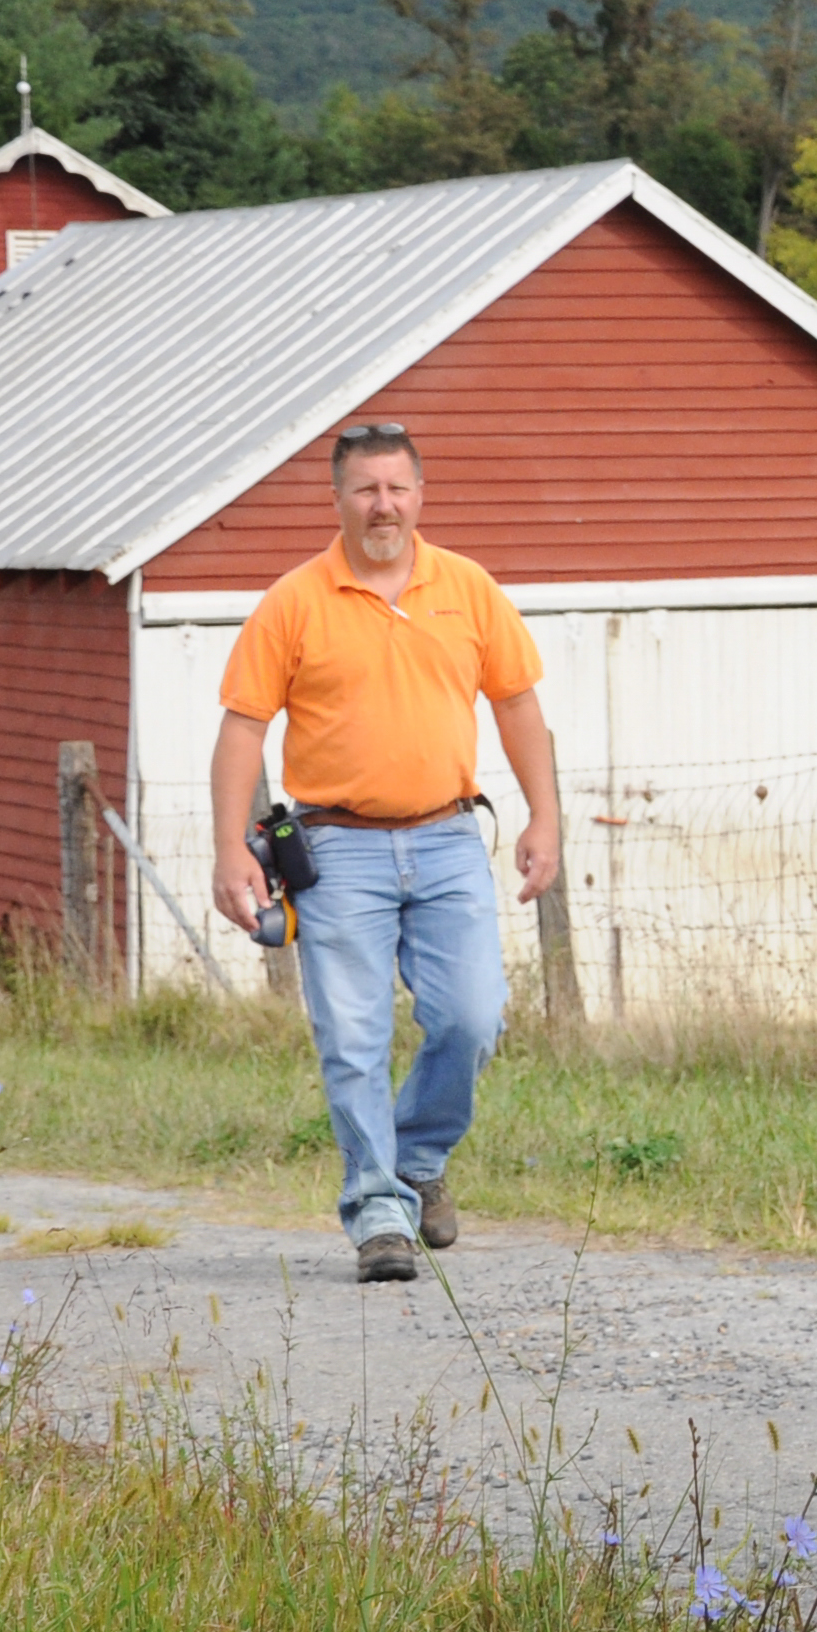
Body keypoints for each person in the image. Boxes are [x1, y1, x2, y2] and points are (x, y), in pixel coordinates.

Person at [209, 420, 564, 1282]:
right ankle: (377, 1209)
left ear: (420, 495)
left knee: (473, 1016)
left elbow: (518, 707)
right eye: (365, 489)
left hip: (447, 839)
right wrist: (230, 849)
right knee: (354, 1034)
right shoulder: (293, 601)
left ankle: (417, 1160)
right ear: (336, 499)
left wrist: (544, 817)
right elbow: (242, 729)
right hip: (338, 849)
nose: (383, 505)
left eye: (397, 488)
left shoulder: (468, 589)